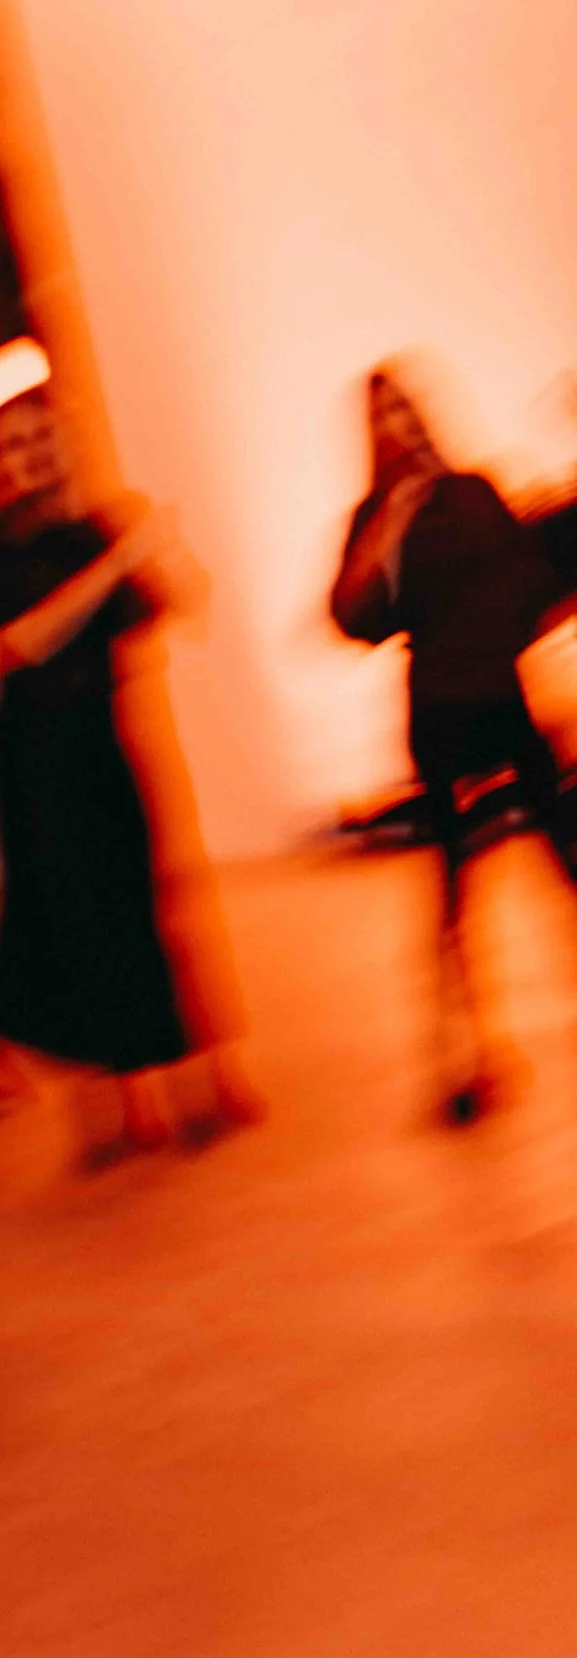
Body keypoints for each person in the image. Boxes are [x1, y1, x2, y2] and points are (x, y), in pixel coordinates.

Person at [0, 387, 256, 1159]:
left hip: (104, 738)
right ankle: (130, 1102)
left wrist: (161, 548)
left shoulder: (95, 529)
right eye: (17, 446)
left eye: (44, 441)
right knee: (78, 919)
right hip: (37, 751)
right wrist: (115, 561)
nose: (33, 456)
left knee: (151, 902)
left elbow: (184, 606)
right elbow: (18, 644)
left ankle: (207, 1079)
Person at [332, 367, 572, 1120]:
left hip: (506, 700)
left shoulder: (475, 490)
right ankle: (464, 1056)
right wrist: (390, 525)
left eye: (407, 407)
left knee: (569, 858)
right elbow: (354, 614)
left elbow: (528, 581)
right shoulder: (375, 514)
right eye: (385, 416)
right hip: (440, 714)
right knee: (454, 893)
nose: (400, 425)